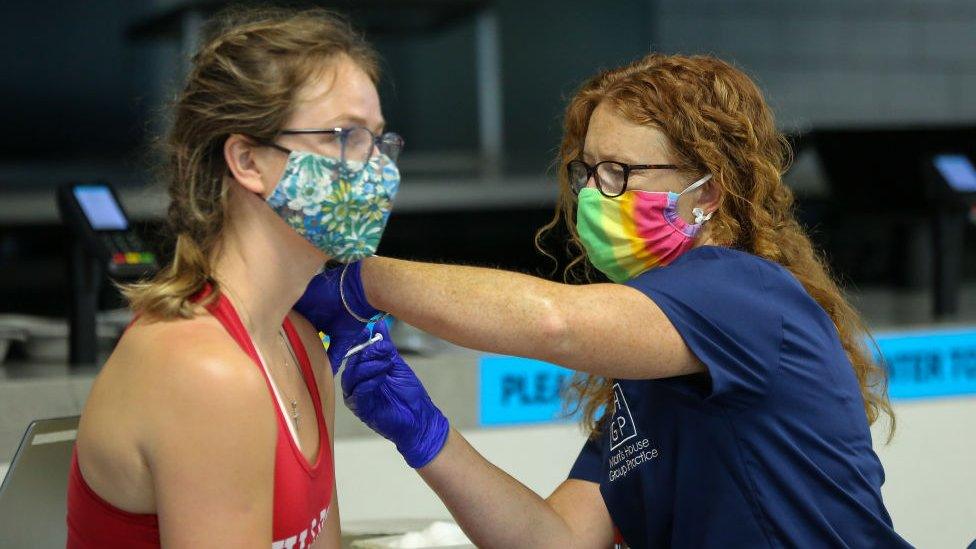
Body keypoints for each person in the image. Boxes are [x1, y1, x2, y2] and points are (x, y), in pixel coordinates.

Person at [297, 54, 912, 547]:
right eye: (588, 171)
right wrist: (425, 434)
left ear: (707, 193)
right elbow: (556, 539)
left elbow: (553, 322)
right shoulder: (650, 372)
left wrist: (360, 279)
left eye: (619, 172)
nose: (594, 194)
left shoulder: (739, 290)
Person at [67, 7, 403, 547]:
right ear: (248, 160)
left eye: (380, 141)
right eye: (347, 137)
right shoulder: (203, 371)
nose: (380, 170)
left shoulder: (298, 344)